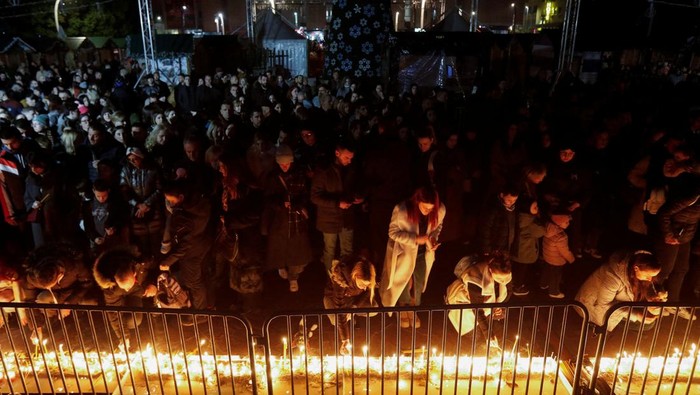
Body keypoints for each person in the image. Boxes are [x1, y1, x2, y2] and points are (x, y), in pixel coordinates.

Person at [379, 185, 445, 328]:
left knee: (418, 281)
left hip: (422, 253)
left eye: (431, 209)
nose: (428, 211)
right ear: (417, 201)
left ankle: (413, 309)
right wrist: (415, 239)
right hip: (405, 252)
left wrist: (432, 239)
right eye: (425, 208)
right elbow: (393, 233)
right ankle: (403, 309)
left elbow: (437, 227)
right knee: (403, 281)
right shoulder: (402, 210)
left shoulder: (440, 210)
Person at [159, 179, 213, 319]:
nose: (169, 203)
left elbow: (185, 243)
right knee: (201, 278)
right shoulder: (198, 204)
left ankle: (200, 315)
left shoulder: (186, 215)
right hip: (202, 245)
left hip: (191, 253)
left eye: (171, 200)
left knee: (193, 283)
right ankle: (208, 305)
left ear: (181, 197)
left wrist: (168, 261)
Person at [262, 145, 312, 292]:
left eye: (287, 163)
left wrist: (295, 204)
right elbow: (267, 198)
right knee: (279, 248)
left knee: (296, 249)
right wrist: (279, 203)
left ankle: (294, 277)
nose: (284, 166)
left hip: (295, 219)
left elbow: (305, 195)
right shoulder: (272, 177)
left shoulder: (299, 175)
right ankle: (280, 266)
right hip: (279, 219)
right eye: (281, 164)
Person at [576, 251, 666, 332]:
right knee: (647, 325)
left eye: (653, 276)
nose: (650, 279)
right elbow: (603, 303)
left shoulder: (640, 269)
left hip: (620, 303)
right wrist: (636, 315)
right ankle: (597, 325)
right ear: (636, 268)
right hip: (593, 306)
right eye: (647, 275)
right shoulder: (613, 278)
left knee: (649, 318)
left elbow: (649, 286)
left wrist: (653, 298)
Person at [311, 140, 362, 274]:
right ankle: (331, 279)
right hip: (329, 219)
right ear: (337, 153)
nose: (349, 161)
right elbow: (315, 196)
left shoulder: (351, 169)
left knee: (347, 250)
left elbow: (355, 188)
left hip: (347, 218)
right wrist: (337, 203)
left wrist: (357, 197)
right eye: (346, 157)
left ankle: (346, 279)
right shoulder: (324, 171)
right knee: (330, 250)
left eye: (351, 158)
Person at [93, 248, 157, 350]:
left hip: (137, 289)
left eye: (128, 286)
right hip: (117, 293)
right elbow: (114, 312)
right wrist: (123, 337)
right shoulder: (109, 285)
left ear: (134, 274)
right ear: (115, 279)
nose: (127, 289)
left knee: (134, 319)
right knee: (121, 317)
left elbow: (158, 269)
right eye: (124, 287)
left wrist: (153, 284)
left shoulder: (141, 263)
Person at [445, 252, 512, 348]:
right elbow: (477, 310)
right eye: (500, 280)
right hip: (463, 302)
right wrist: (488, 334)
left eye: (505, 279)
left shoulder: (505, 270)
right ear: (490, 271)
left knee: (496, 330)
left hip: (484, 303)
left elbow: (508, 290)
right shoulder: (475, 279)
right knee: (476, 338)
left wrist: (498, 306)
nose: (504, 282)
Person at [323, 254, 378, 355]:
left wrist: (355, 307)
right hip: (333, 298)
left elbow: (367, 293)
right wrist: (345, 340)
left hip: (352, 300)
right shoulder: (340, 278)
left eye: (367, 285)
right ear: (355, 277)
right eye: (362, 285)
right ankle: (348, 316)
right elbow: (339, 307)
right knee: (336, 320)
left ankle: (352, 315)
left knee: (374, 308)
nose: (365, 288)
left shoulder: (367, 272)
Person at [540, 210, 576, 298]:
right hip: (557, 260)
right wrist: (571, 259)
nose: (568, 224)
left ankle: (543, 284)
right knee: (556, 276)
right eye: (566, 222)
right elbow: (564, 251)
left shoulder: (547, 229)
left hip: (547, 256)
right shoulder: (561, 236)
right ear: (559, 224)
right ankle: (554, 291)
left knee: (547, 271)